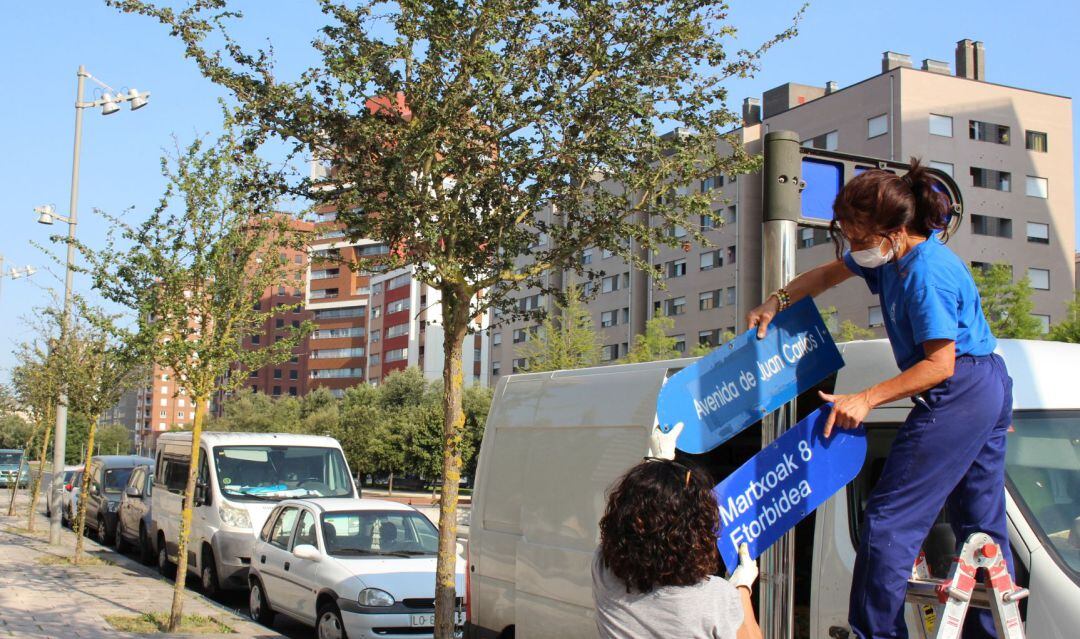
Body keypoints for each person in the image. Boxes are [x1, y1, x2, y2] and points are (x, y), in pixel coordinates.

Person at [747, 159, 1014, 639]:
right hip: (985, 383)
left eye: (860, 239)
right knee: (980, 525)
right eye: (848, 238)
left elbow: (940, 366)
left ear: (894, 230)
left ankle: (877, 634)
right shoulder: (893, 257)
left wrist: (866, 398)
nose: (854, 249)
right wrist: (776, 301)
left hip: (961, 385)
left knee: (889, 522)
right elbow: (826, 276)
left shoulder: (925, 274)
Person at [592, 458, 762, 639]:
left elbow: (639, 521)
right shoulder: (716, 597)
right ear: (696, 532)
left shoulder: (603, 568)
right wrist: (742, 587)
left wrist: (657, 480)